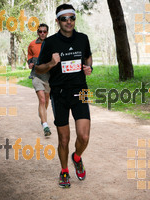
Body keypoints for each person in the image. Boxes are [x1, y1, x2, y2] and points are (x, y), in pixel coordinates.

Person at [35, 4, 93, 188]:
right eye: (64, 18)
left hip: (81, 90)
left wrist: (89, 67)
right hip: (59, 93)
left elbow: (88, 57)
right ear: (58, 21)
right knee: (64, 139)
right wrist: (52, 63)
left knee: (83, 137)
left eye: (72, 18)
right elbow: (38, 68)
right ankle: (64, 171)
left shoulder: (83, 38)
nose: (69, 22)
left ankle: (76, 157)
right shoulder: (50, 42)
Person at [27, 23, 52, 137]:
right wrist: (30, 63)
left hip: (49, 77)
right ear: (37, 32)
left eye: (44, 31)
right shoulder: (32, 44)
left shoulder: (52, 43)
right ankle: (45, 125)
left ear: (47, 32)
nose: (42, 33)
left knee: (46, 101)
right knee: (42, 100)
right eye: (40, 31)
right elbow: (29, 56)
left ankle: (42, 114)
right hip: (36, 76)